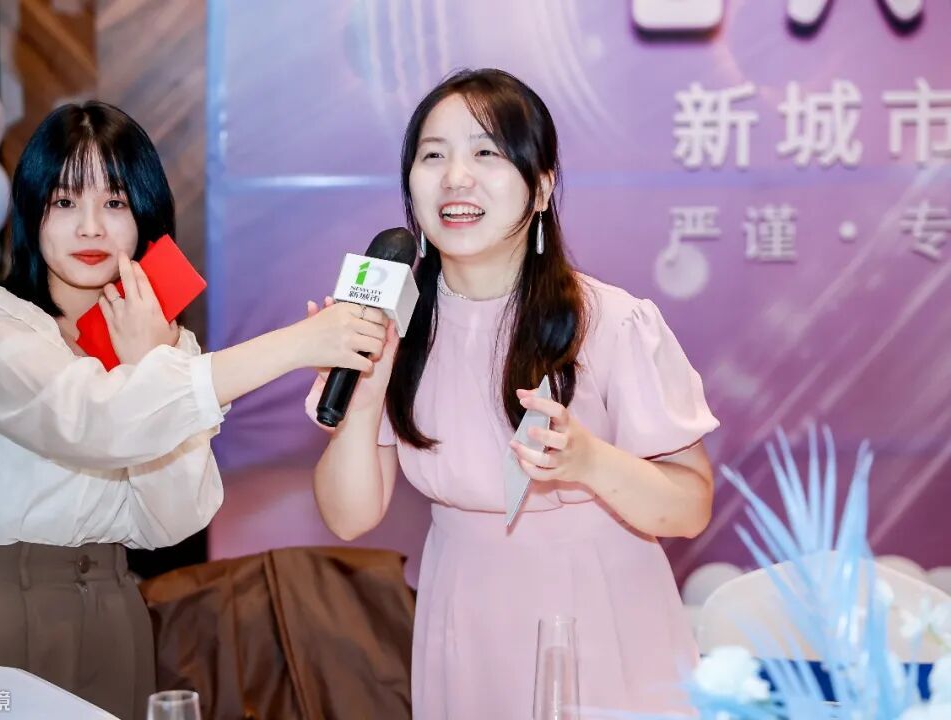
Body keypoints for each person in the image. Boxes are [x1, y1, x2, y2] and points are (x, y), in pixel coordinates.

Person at [0, 101, 387, 720]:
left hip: (113, 617)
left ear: (144, 218)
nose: (90, 228)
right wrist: (295, 344)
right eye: (64, 201)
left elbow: (170, 522)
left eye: (114, 203)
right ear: (32, 212)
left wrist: (151, 357)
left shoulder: (162, 350)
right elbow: (90, 421)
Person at [307, 69, 719, 717]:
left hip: (602, 618)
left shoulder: (611, 322)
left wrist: (589, 461)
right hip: (463, 619)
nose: (456, 177)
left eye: (486, 153)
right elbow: (349, 516)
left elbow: (690, 506)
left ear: (542, 187)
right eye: (433, 155)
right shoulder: (391, 322)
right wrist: (363, 392)